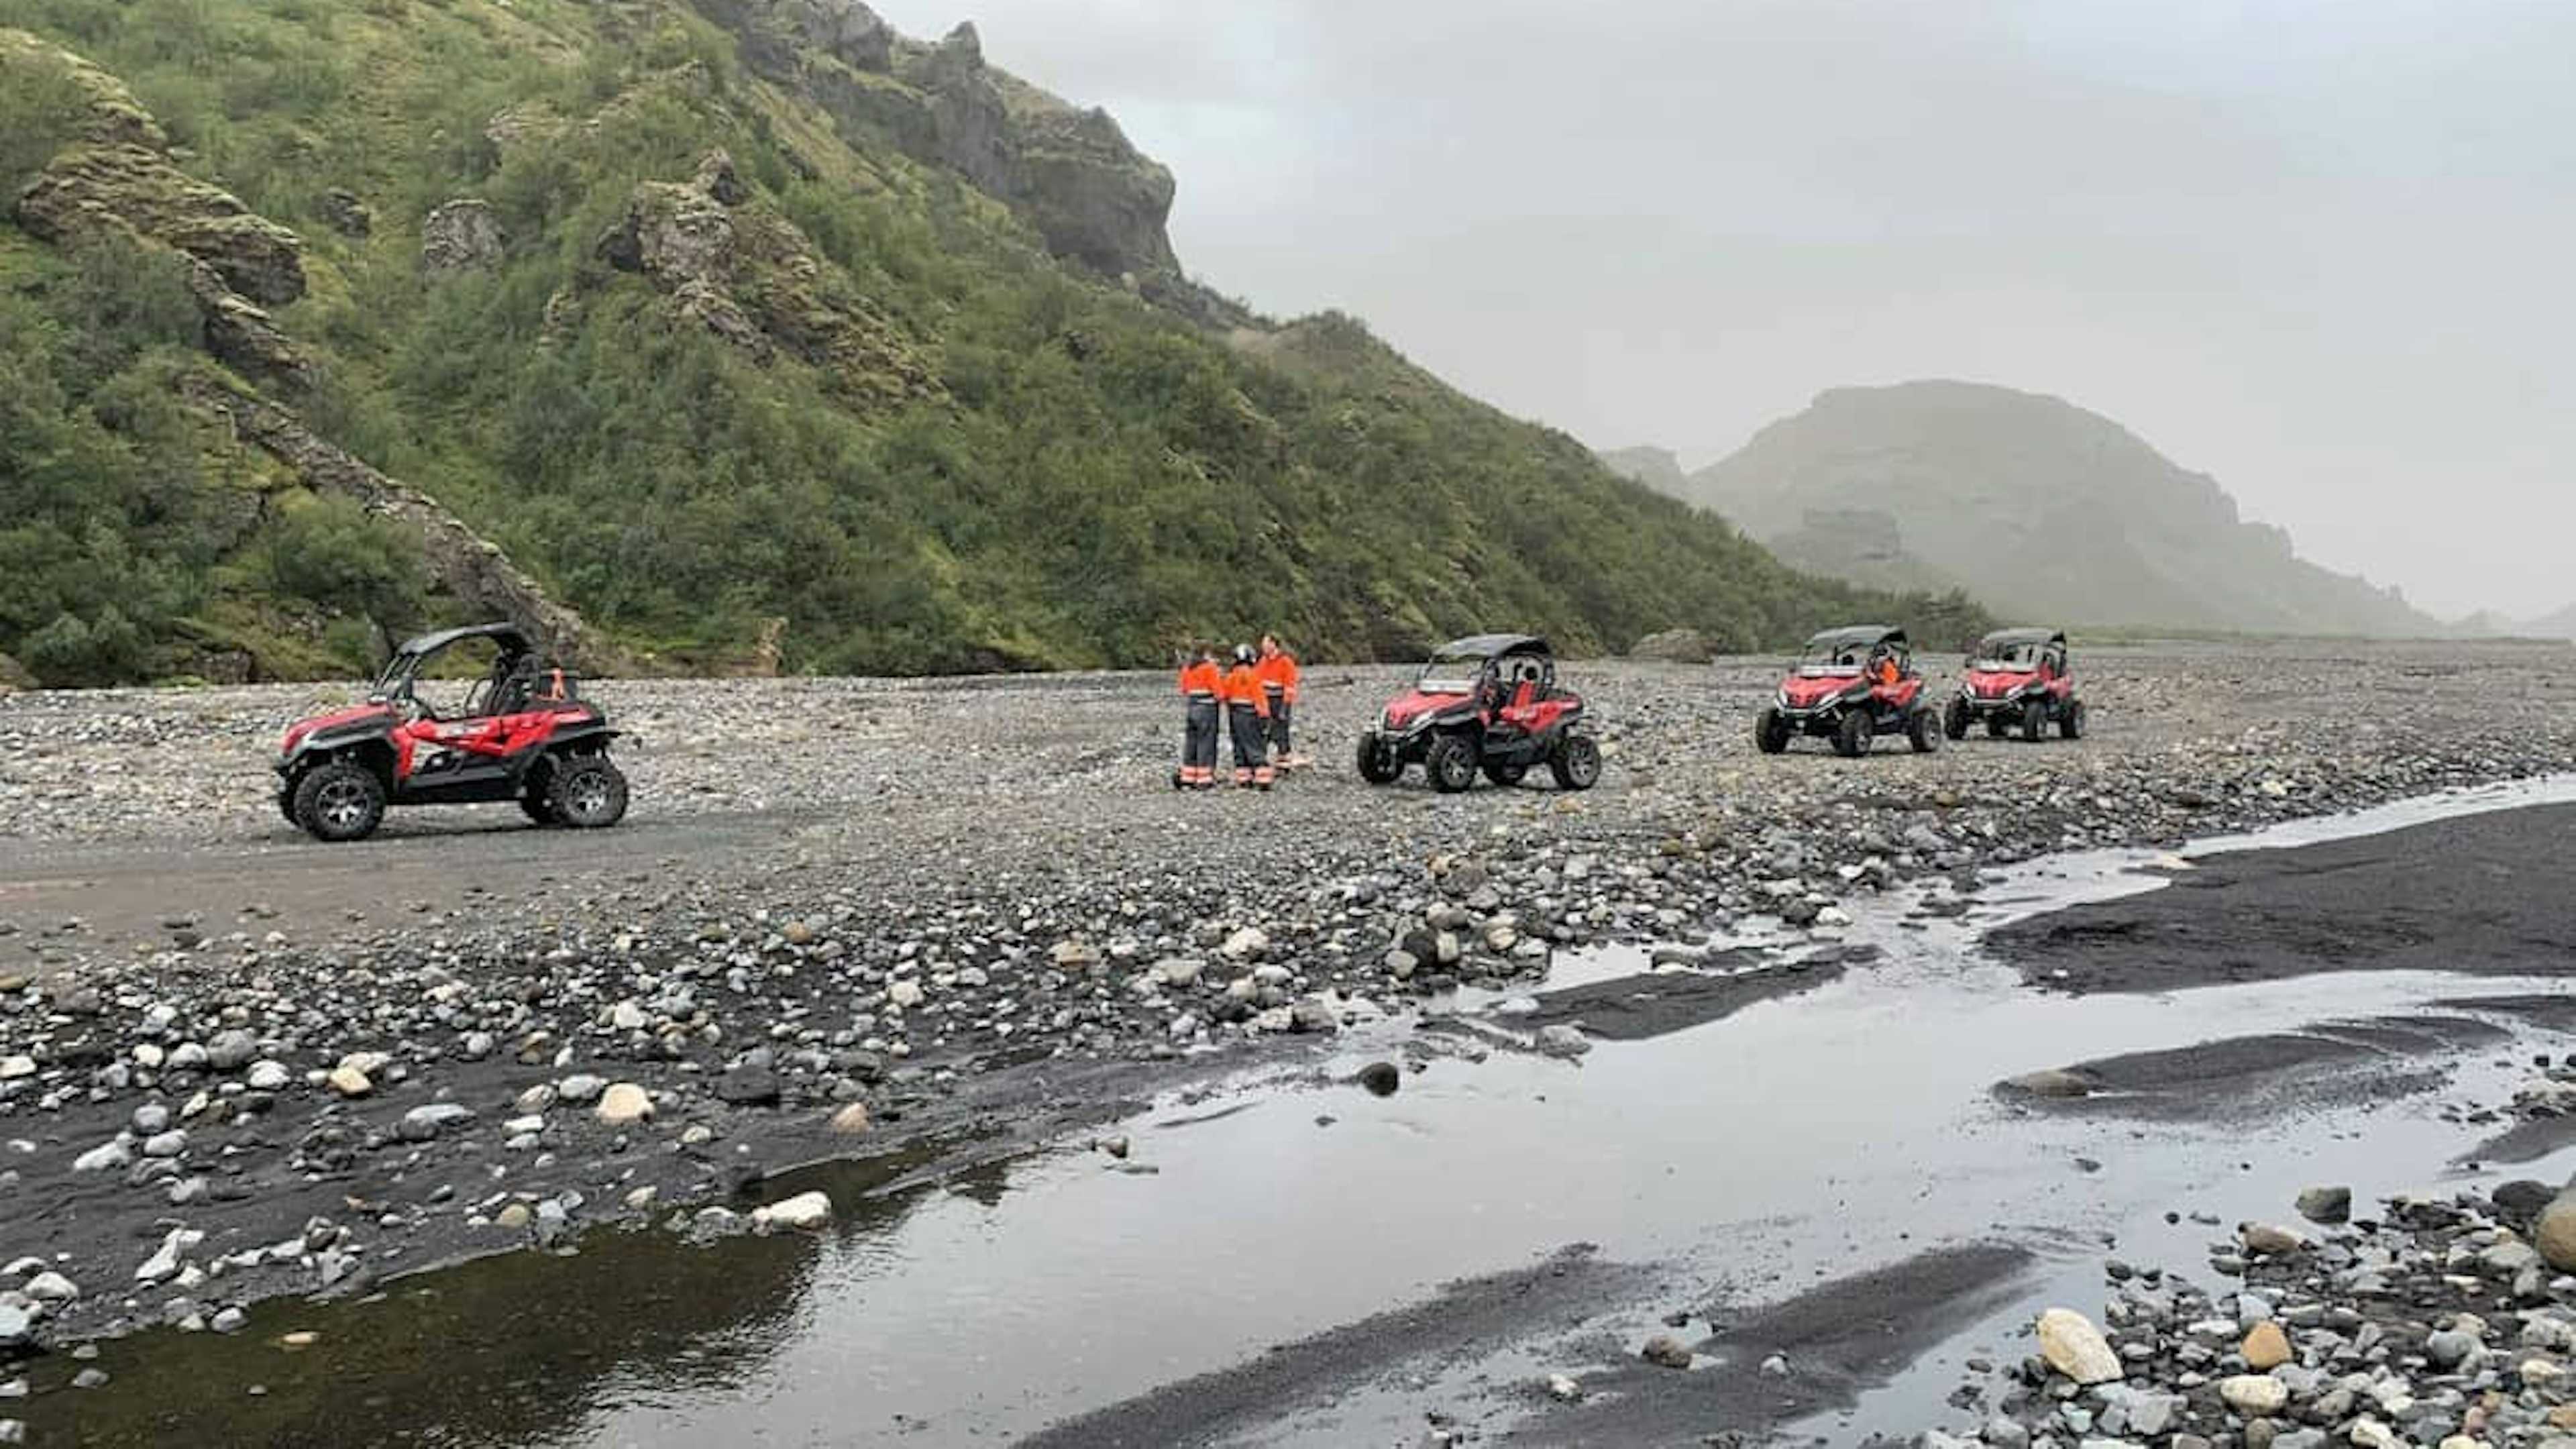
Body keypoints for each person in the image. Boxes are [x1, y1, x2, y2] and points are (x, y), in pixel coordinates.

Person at [1220, 643, 1273, 790]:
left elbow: (1224, 695)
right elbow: (1259, 697)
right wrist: (1265, 717)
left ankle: (1244, 778)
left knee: (1239, 746)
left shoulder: (1231, 676)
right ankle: (1263, 778)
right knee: (1254, 745)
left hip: (1235, 714)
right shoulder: (1253, 675)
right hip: (1250, 714)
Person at [1174, 644, 1222, 790]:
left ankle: (1188, 776)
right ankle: (1204, 779)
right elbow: (1219, 692)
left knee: (1191, 742)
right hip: (1207, 708)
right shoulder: (1209, 668)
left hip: (1192, 707)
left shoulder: (1187, 668)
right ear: (1206, 654)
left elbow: (1183, 689)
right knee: (1206, 741)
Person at [1255, 634, 1301, 769]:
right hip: (1265, 700)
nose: (1263, 646)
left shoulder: (1285, 662)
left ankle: (1284, 759)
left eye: (1266, 643)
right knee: (1263, 729)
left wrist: (1285, 706)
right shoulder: (1263, 661)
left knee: (1281, 730)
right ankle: (1261, 757)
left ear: (1274, 644)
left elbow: (1290, 685)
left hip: (1279, 701)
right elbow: (1256, 680)